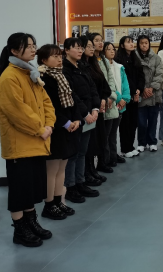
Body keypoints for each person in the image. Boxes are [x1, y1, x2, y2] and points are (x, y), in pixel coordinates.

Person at [0, 33, 56, 248]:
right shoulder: (9, 77)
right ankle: (20, 229)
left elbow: (46, 102)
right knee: (20, 190)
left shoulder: (30, 73)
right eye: (28, 46)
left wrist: (49, 125)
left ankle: (31, 222)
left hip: (37, 142)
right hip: (20, 144)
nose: (33, 49)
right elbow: (17, 112)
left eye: (33, 45)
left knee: (32, 188)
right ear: (14, 51)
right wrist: (40, 129)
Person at [37, 44, 80, 220]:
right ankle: (49, 205)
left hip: (69, 127)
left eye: (59, 55)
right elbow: (50, 106)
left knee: (62, 166)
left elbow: (72, 99)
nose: (59, 59)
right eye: (54, 56)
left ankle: (58, 200)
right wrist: (66, 122)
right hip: (56, 128)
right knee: (52, 169)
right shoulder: (43, 79)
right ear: (43, 60)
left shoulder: (61, 75)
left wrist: (76, 119)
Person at [61, 38, 101, 203]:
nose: (79, 50)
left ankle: (80, 182)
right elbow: (72, 95)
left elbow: (93, 88)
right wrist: (85, 114)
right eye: (76, 48)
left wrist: (95, 108)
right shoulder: (65, 70)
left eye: (80, 48)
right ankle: (70, 187)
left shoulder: (82, 66)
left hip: (89, 114)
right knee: (73, 153)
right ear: (66, 50)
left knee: (83, 152)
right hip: (76, 117)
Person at [79, 36, 112, 177]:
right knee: (88, 142)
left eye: (92, 46)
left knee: (97, 140)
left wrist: (103, 99)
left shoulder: (94, 64)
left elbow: (104, 86)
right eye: (88, 46)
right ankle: (86, 172)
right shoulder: (80, 66)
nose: (92, 49)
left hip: (98, 108)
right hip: (88, 109)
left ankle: (93, 169)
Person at [90, 34, 121, 168]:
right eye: (96, 40)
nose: (100, 43)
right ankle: (102, 161)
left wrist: (112, 96)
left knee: (110, 133)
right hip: (100, 101)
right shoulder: (91, 61)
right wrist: (103, 98)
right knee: (102, 135)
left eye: (101, 40)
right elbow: (97, 83)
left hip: (109, 98)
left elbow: (110, 79)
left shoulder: (103, 59)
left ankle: (108, 158)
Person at [114, 36, 144, 158]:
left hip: (135, 94)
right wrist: (133, 92)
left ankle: (131, 146)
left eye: (132, 42)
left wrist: (139, 90)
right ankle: (125, 149)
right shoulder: (118, 60)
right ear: (122, 45)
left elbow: (141, 76)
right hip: (125, 96)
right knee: (125, 124)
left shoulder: (135, 58)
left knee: (133, 122)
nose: (131, 44)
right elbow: (125, 79)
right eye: (128, 42)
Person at [135, 35, 163, 152]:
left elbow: (159, 74)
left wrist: (151, 88)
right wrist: (143, 89)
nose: (144, 45)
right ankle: (141, 143)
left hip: (154, 94)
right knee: (141, 122)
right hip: (140, 93)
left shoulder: (156, 58)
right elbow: (134, 75)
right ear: (138, 44)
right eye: (142, 43)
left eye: (146, 43)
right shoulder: (134, 57)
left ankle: (152, 142)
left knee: (153, 120)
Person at [103, 42, 131, 163]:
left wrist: (125, 98)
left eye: (113, 49)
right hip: (111, 101)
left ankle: (113, 155)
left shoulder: (119, 67)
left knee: (114, 132)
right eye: (108, 49)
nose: (112, 51)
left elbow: (125, 84)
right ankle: (107, 158)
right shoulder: (102, 66)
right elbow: (110, 85)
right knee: (107, 133)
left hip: (121, 103)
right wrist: (119, 99)